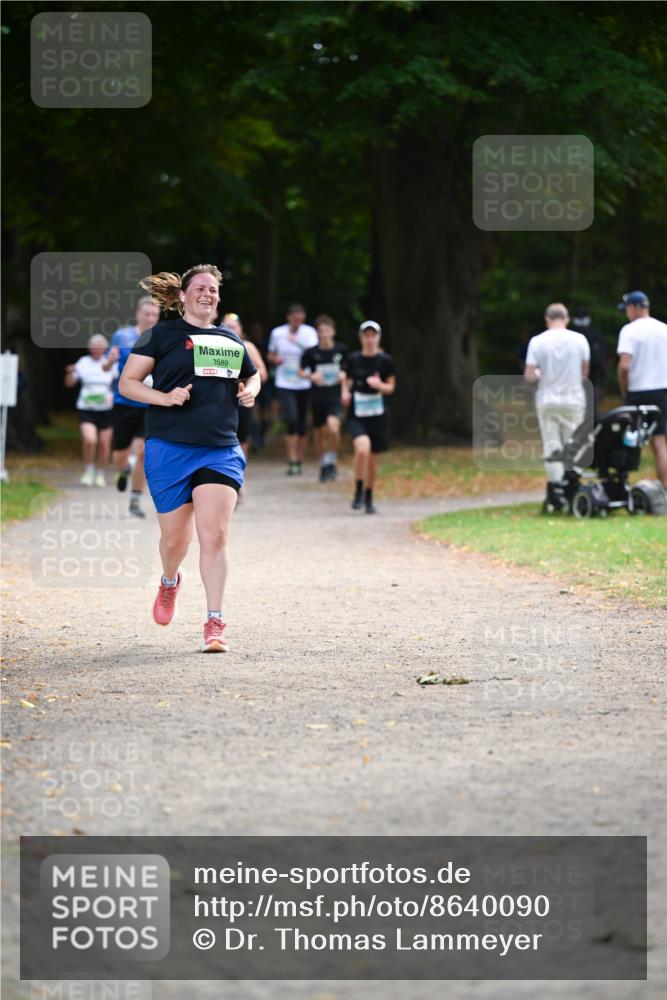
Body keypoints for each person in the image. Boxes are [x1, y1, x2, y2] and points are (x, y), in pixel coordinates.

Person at [118, 265, 261, 653]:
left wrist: (251, 390)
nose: (207, 294)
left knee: (214, 534)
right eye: (199, 288)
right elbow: (127, 383)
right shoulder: (160, 336)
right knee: (174, 541)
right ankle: (169, 581)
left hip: (220, 448)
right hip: (170, 447)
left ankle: (215, 622)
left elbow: (253, 374)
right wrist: (164, 398)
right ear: (182, 296)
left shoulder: (230, 340)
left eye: (213, 289)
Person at [524, 303, 590, 508]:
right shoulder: (580, 340)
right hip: (573, 399)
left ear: (547, 319)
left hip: (547, 400)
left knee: (552, 445)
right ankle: (573, 485)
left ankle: (555, 489)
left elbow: (529, 375)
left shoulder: (537, 341)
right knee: (575, 444)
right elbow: (584, 374)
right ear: (567, 318)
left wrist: (539, 375)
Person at [103, 296, 161, 518]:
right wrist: (110, 361)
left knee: (144, 452)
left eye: (154, 315)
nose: (150, 318)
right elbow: (107, 366)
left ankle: (135, 500)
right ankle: (124, 468)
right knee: (120, 454)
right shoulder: (123, 336)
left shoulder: (161, 337)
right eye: (147, 314)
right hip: (124, 402)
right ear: (138, 314)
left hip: (150, 403)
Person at [343, 320, 396, 514]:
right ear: (361, 338)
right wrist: (345, 392)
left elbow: (391, 387)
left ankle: (369, 495)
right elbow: (345, 379)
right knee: (362, 449)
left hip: (378, 414)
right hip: (357, 413)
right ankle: (358, 489)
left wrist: (379, 385)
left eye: (373, 335)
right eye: (366, 335)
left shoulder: (385, 361)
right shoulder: (353, 359)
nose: (370, 339)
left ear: (378, 337)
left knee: (373, 459)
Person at [616, 290, 667, 486]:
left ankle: (622, 485)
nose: (626, 313)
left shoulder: (630, 331)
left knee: (629, 440)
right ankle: (664, 489)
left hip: (637, 392)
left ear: (635, 308)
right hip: (662, 391)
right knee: (659, 441)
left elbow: (624, 366)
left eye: (627, 308)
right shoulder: (664, 329)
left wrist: (624, 390)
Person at [267, 303, 318, 475]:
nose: (297, 320)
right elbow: (270, 354)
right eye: (294, 317)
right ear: (288, 317)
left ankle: (299, 458)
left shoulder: (310, 333)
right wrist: (275, 359)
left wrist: (300, 345)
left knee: (303, 422)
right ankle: (291, 458)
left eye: (300, 317)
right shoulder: (278, 333)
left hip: (304, 381)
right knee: (291, 418)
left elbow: (315, 354)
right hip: (285, 382)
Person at [222, 313, 268, 493]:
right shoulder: (215, 346)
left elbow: (262, 373)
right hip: (220, 402)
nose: (231, 330)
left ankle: (238, 477)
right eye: (227, 327)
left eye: (235, 327)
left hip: (241, 401)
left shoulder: (247, 347)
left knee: (241, 441)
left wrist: (247, 384)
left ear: (241, 329)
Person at [64, 334, 118, 487]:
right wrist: (69, 373)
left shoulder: (110, 362)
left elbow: (119, 383)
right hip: (86, 408)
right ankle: (88, 470)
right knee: (90, 439)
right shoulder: (83, 362)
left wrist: (114, 397)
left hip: (106, 409)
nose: (96, 349)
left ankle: (100, 473)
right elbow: (69, 384)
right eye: (93, 346)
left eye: (99, 346)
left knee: (104, 444)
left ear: (104, 349)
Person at [299, 314, 348, 481]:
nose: (325, 334)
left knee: (333, 428)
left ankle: (332, 461)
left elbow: (349, 371)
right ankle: (324, 463)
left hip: (335, 396)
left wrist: (345, 379)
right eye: (321, 331)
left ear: (333, 331)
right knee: (319, 432)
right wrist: (310, 376)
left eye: (328, 330)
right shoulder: (311, 353)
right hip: (317, 396)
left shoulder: (341, 350)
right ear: (317, 333)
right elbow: (301, 370)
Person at [570, 306, 606, 417]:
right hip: (591, 379)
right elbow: (600, 361)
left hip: (573, 378)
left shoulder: (570, 334)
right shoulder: (595, 334)